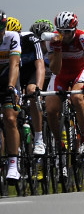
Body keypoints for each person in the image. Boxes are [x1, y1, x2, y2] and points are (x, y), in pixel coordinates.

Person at [47, 11, 84, 165]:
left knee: (77, 98)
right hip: (61, 73)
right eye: (60, 31)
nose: (64, 35)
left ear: (74, 29)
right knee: (50, 110)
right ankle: (58, 142)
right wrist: (57, 49)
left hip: (79, 72)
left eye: (67, 32)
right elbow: (54, 70)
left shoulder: (83, 38)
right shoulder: (52, 39)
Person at [20, 20, 49, 156]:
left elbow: (40, 66)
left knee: (32, 92)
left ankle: (38, 139)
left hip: (32, 72)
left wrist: (39, 88)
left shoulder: (31, 39)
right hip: (18, 73)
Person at [1, 10, 22, 180]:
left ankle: (13, 165)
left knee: (10, 118)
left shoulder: (12, 37)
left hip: (10, 79)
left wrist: (10, 86)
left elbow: (15, 65)